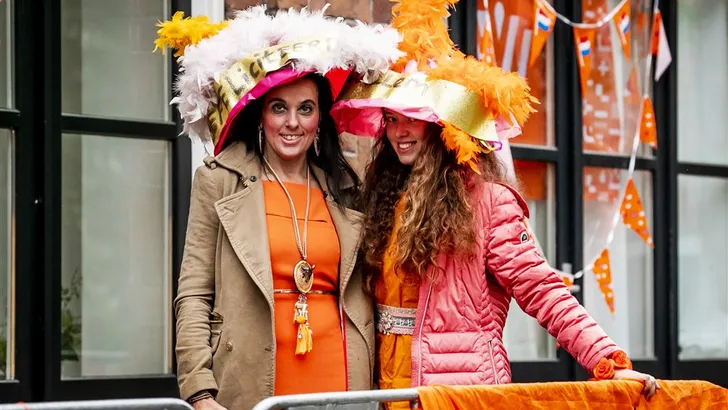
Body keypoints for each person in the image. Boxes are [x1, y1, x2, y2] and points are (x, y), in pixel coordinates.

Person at [330, 0, 659, 408]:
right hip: (391, 387)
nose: (399, 131)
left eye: (412, 117)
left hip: (461, 392)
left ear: (443, 124)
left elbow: (541, 289)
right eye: (392, 119)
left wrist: (606, 358)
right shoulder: (383, 196)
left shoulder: (488, 201)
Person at [154, 6, 403, 410]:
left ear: (320, 119)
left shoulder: (345, 188)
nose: (292, 122)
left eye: (305, 108)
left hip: (343, 381)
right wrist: (199, 391)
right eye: (279, 108)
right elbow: (194, 293)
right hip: (253, 382)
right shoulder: (218, 179)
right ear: (260, 115)